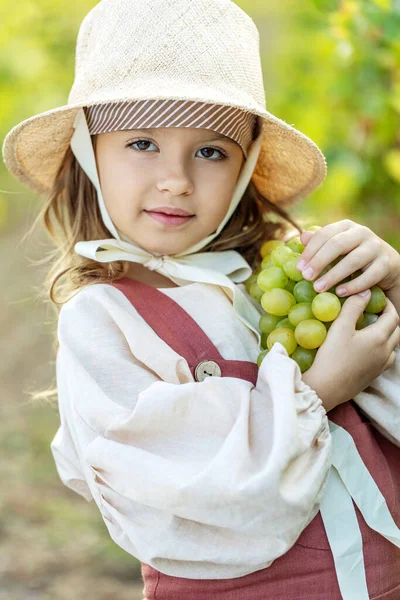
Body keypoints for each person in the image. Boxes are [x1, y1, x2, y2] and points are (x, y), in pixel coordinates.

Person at [2, 0, 400, 598]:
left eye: (211, 151)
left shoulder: (282, 274)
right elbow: (175, 490)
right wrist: (315, 394)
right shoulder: (103, 321)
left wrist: (386, 296)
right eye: (142, 143)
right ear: (88, 156)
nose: (177, 178)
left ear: (244, 170)